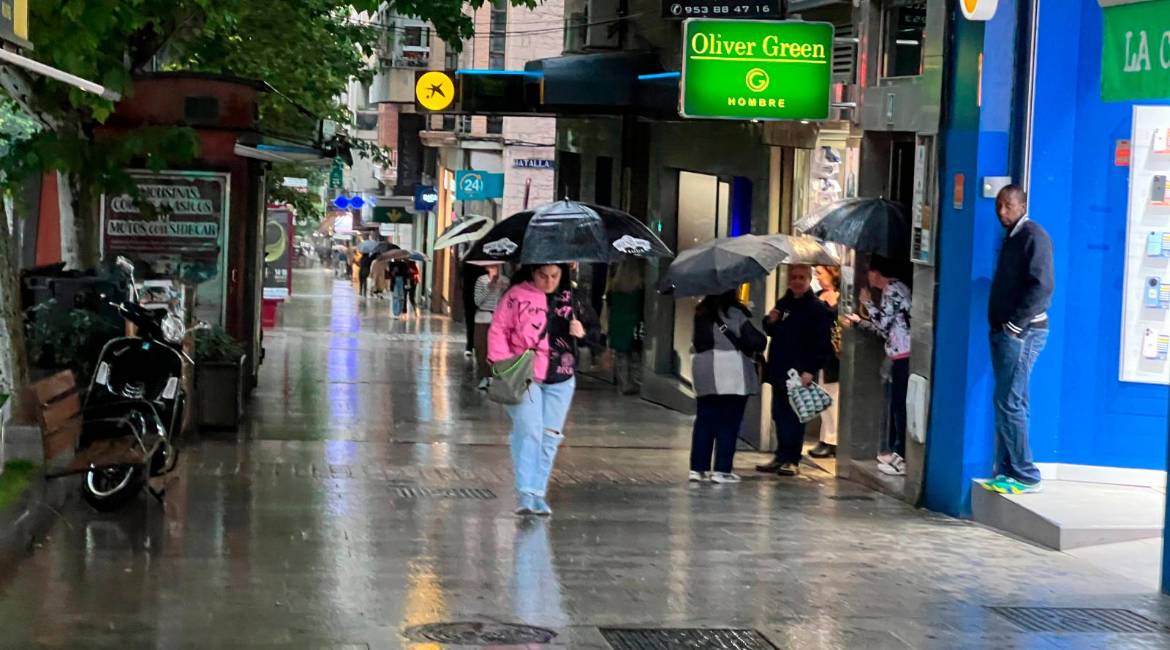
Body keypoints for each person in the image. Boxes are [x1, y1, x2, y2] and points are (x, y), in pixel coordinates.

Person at [488, 264, 599, 516]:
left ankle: (537, 492)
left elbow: (595, 334)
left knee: (549, 436)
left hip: (562, 376)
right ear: (532, 272)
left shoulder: (573, 298)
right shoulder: (515, 296)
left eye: (554, 276)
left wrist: (582, 334)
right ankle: (526, 492)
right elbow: (498, 329)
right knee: (529, 430)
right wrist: (502, 363)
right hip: (524, 373)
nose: (549, 281)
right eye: (542, 275)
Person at [982, 185, 1054, 495]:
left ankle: (1026, 473)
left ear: (1022, 205)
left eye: (1008, 206)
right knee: (1013, 400)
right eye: (999, 205)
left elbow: (1042, 287)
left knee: (1009, 401)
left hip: (1023, 334)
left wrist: (1014, 325)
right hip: (1008, 331)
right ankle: (1010, 468)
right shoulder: (1012, 237)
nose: (1001, 212)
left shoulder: (1033, 236)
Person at [757, 265, 835, 477]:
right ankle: (781, 455)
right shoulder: (784, 303)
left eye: (801, 277)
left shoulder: (816, 308)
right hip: (780, 369)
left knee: (794, 416)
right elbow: (773, 330)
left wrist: (810, 369)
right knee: (779, 414)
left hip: (800, 371)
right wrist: (770, 321)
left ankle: (792, 459)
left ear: (809, 279)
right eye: (793, 277)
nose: (797, 281)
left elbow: (822, 343)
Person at [689, 291, 767, 484]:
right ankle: (722, 470)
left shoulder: (700, 312)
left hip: (703, 369)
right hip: (731, 370)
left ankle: (697, 469)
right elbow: (757, 341)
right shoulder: (736, 313)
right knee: (729, 421)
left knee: (704, 420)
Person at [846, 255, 912, 476]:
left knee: (900, 406)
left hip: (904, 354)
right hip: (897, 354)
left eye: (869, 273)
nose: (867, 278)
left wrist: (866, 302)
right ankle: (896, 451)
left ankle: (902, 455)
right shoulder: (892, 290)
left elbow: (883, 324)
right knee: (895, 404)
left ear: (876, 273)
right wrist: (861, 321)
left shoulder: (893, 289)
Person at [810, 265, 842, 459]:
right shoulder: (817, 296)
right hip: (820, 353)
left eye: (820, 273)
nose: (818, 278)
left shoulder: (842, 298)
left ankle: (831, 439)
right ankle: (827, 437)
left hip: (835, 354)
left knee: (833, 398)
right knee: (824, 397)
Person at [605, 259, 645, 395]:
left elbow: (609, 305)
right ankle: (636, 382)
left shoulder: (614, 286)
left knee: (621, 356)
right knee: (635, 355)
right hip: (632, 324)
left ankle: (624, 385)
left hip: (617, 324)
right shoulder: (639, 288)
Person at [473, 265, 510, 390]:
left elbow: (508, 301)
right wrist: (489, 288)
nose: (494, 268)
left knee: (497, 350)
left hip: (499, 319)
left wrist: (503, 291)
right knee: (481, 347)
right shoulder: (481, 280)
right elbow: (477, 301)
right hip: (483, 317)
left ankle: (495, 377)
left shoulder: (505, 281)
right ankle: (484, 376)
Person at [462, 262, 486, 359]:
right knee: (475, 321)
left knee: (471, 321)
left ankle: (470, 345)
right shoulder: (484, 263)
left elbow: (462, 277)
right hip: (472, 294)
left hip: (471, 294)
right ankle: (474, 345)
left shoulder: (467, 261)